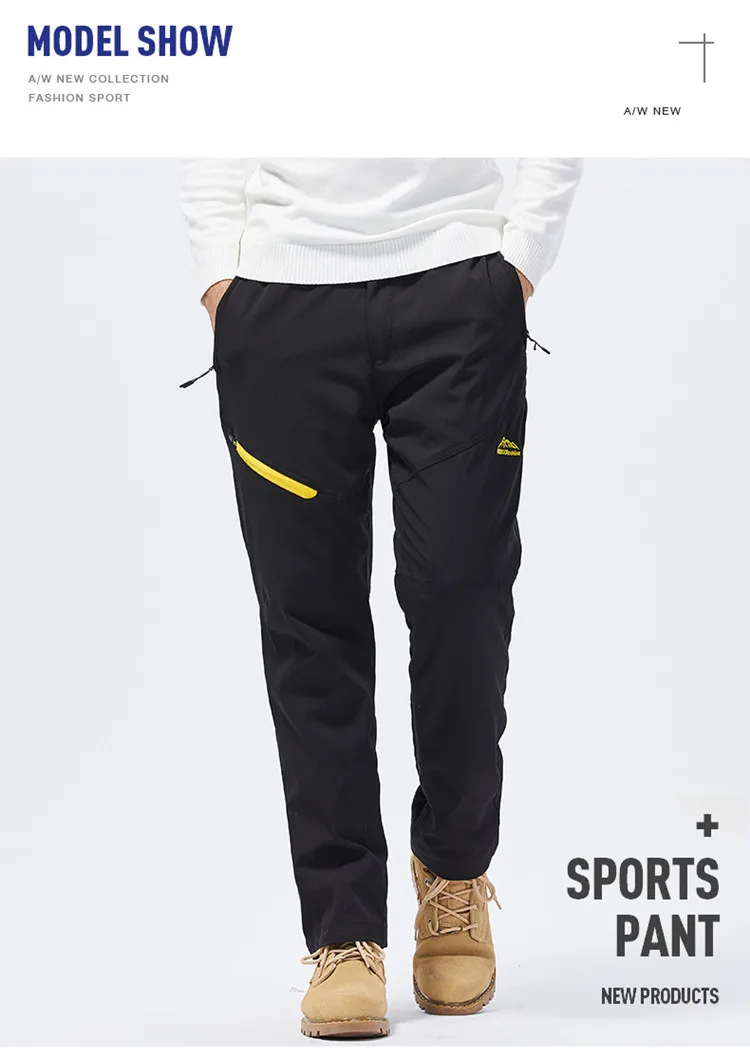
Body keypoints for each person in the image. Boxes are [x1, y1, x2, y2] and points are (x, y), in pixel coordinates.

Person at [180, 158, 582, 1038]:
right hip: (279, 300)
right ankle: (344, 933)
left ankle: (454, 869)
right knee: (308, 621)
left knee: (463, 594)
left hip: (458, 285)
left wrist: (522, 255)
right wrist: (219, 274)